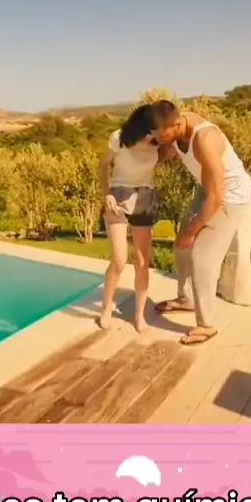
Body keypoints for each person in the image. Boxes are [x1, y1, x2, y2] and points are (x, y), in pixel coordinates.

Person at [147, 100, 251, 346]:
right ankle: (186, 299)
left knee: (202, 259)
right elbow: (170, 150)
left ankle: (206, 325)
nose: (161, 140)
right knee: (180, 248)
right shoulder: (173, 127)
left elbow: (217, 197)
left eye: (163, 136)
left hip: (230, 198)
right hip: (207, 189)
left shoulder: (205, 140)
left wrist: (192, 231)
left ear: (177, 124)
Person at [98, 104, 159, 333]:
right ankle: (106, 307)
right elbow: (103, 165)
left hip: (144, 197)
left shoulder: (159, 142)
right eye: (150, 131)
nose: (152, 136)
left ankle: (139, 315)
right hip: (118, 197)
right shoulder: (119, 139)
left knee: (142, 263)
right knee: (120, 259)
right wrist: (107, 194)